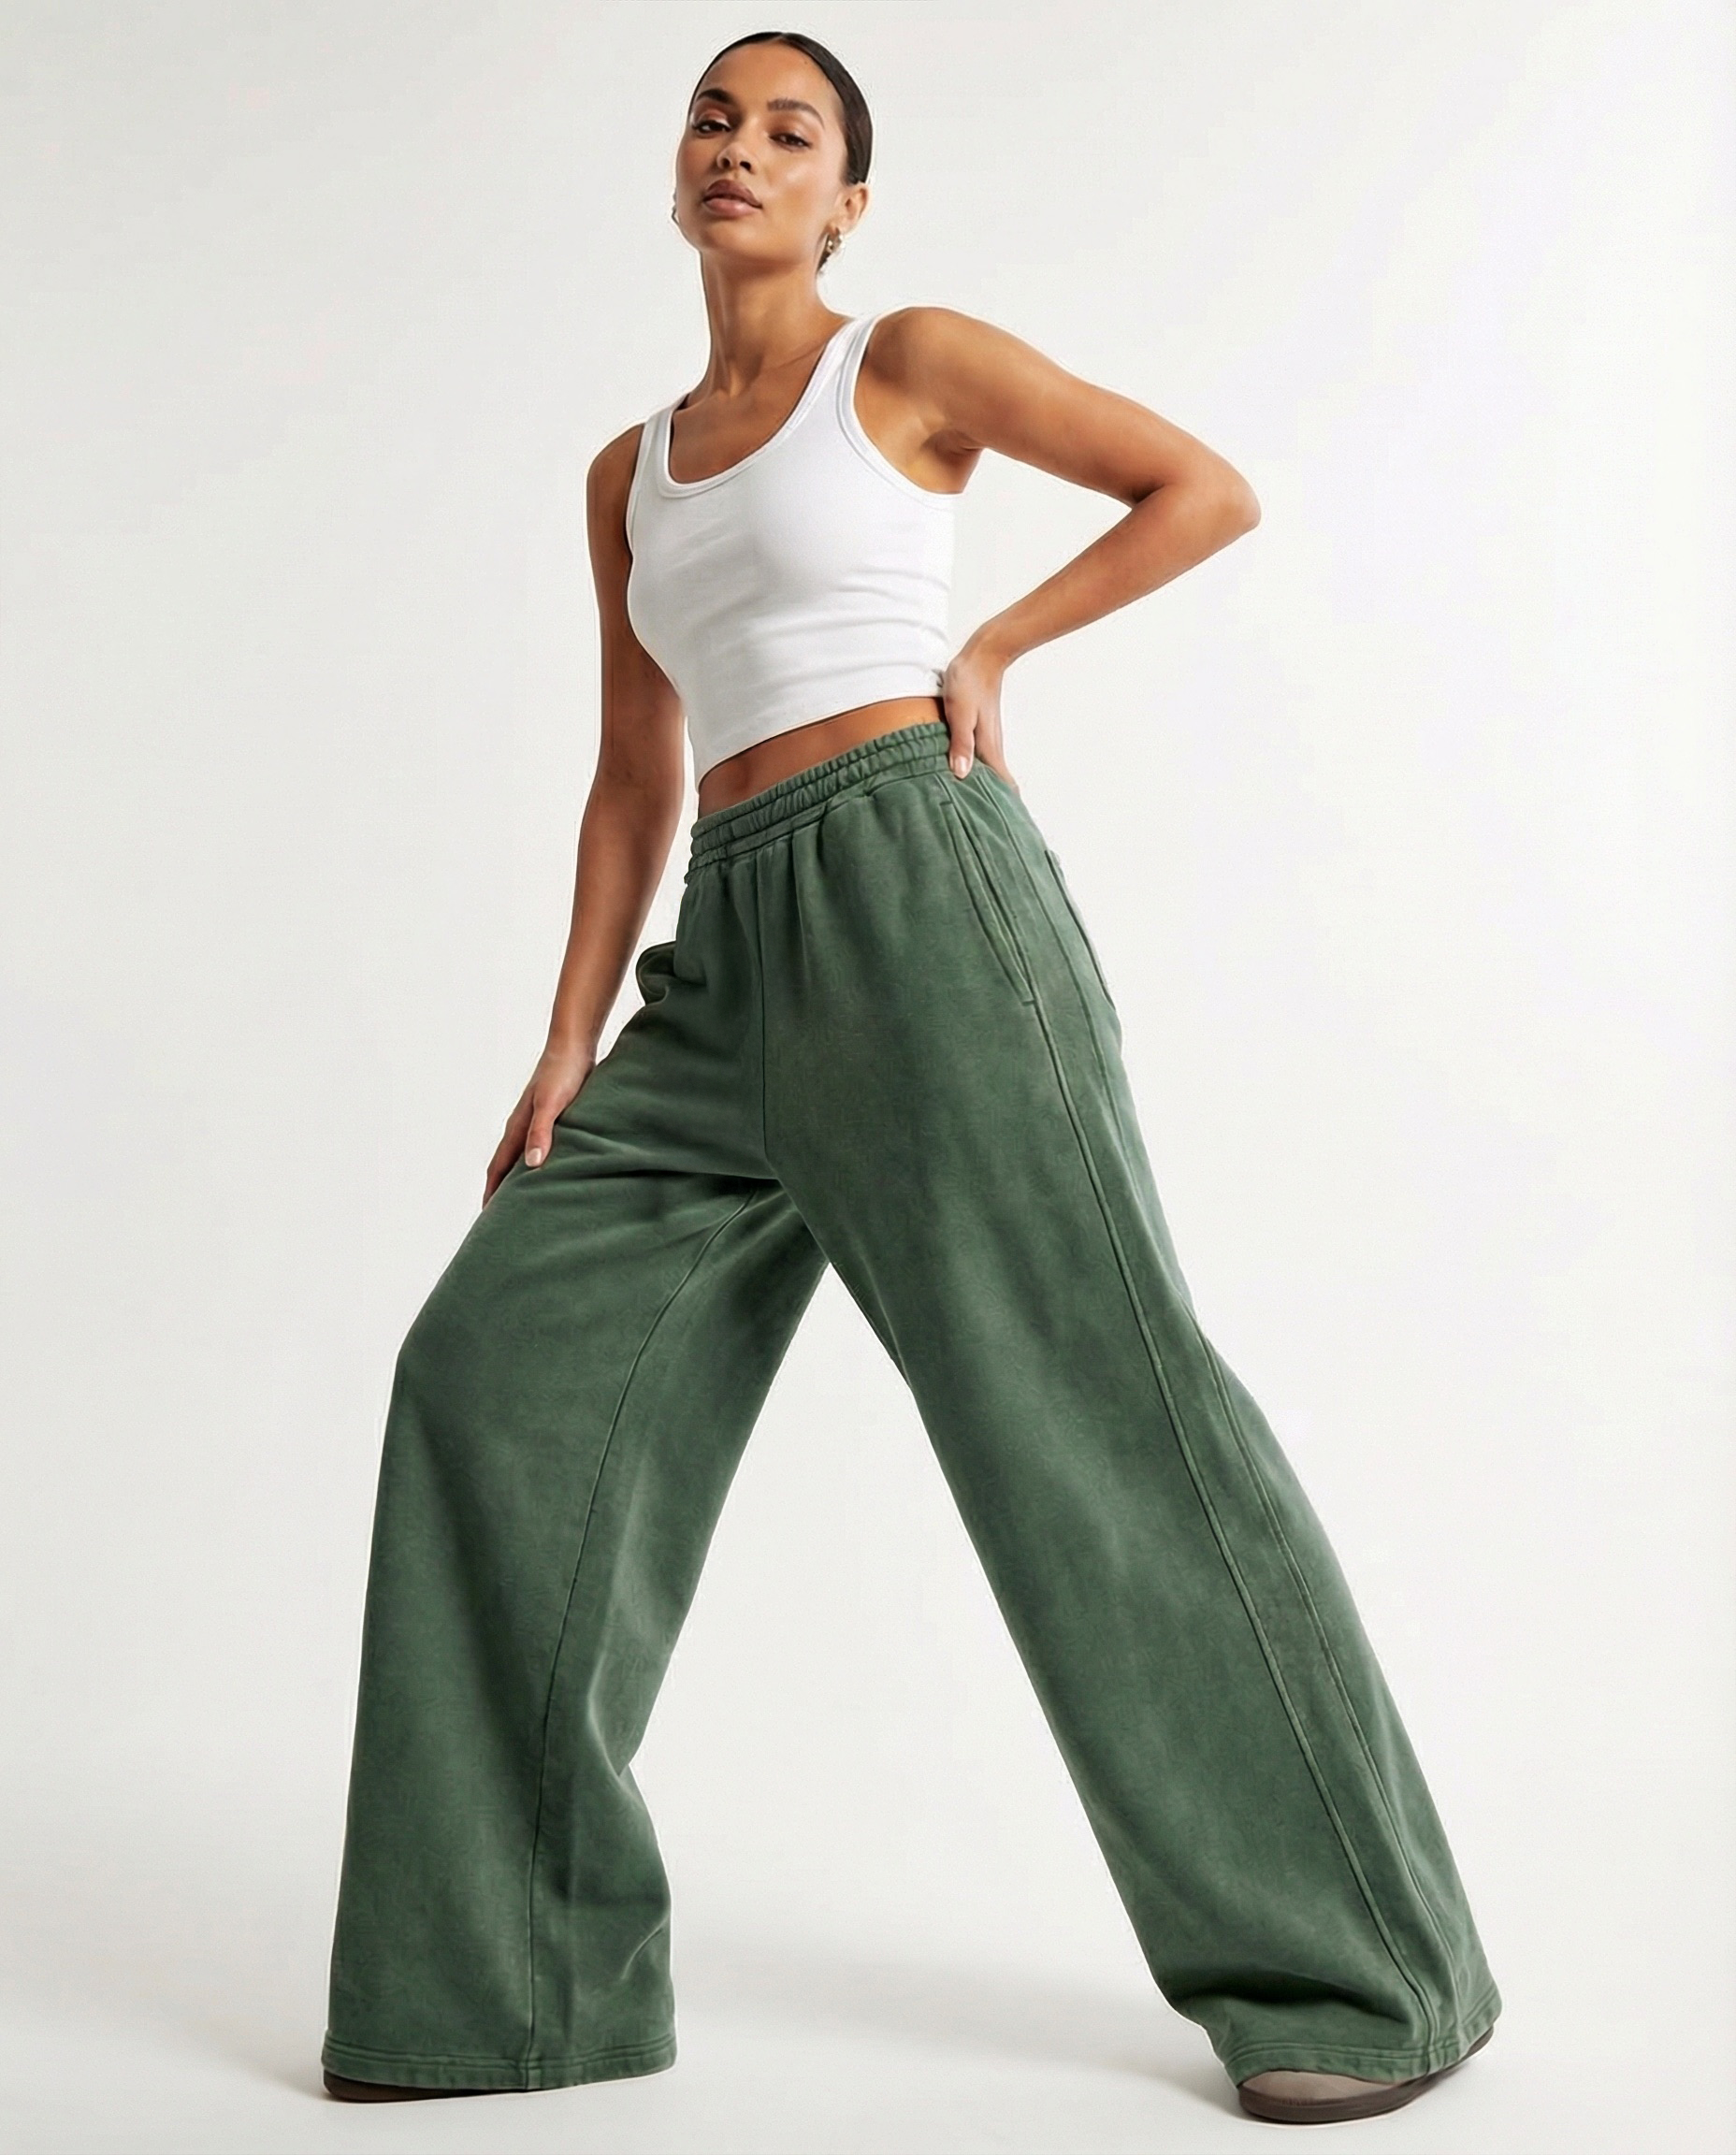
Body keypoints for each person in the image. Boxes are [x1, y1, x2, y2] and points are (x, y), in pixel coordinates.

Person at [319, 29, 1499, 2127]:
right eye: (713, 118)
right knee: (485, 1373)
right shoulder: (632, 468)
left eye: (791, 133)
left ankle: (1357, 1975)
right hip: (719, 962)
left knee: (1089, 1419)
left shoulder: (910, 363)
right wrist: (568, 1042)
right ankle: (513, 1990)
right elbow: (628, 777)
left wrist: (992, 652)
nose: (742, 151)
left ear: (847, 200)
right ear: (673, 169)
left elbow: (1198, 487)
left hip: (916, 901)